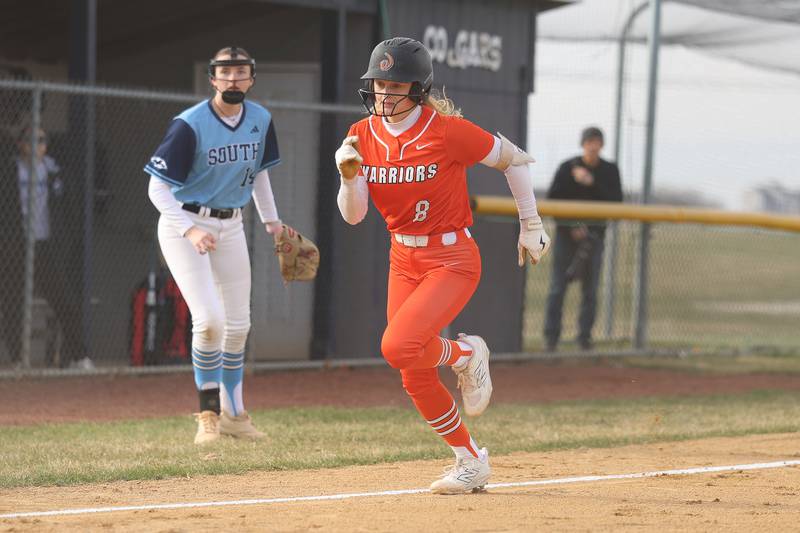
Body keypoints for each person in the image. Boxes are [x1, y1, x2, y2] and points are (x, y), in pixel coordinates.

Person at [335, 37, 551, 494]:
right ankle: (470, 459)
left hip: (452, 257)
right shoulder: (360, 135)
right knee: (411, 370)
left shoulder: (445, 129)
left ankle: (466, 354)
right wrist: (349, 176)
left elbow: (514, 160)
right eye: (378, 84)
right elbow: (354, 216)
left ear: (418, 89)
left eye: (395, 85)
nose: (383, 94)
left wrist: (530, 222)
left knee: (396, 347)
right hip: (403, 255)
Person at [144, 46, 288, 444]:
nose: (233, 79)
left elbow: (258, 174)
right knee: (210, 321)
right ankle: (207, 414)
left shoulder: (260, 119)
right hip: (184, 225)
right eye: (225, 73)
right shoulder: (189, 124)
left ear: (252, 78)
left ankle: (235, 416)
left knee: (239, 325)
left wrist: (273, 223)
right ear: (212, 78)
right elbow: (157, 187)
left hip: (231, 226)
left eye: (241, 72)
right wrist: (189, 230)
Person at [0, 125, 90, 368]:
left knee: (63, 299)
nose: (35, 145)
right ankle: (20, 359)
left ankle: (79, 357)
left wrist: (66, 240)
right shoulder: (9, 170)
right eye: (29, 139)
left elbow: (69, 209)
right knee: (13, 301)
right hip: (16, 244)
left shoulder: (53, 172)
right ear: (20, 144)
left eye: (40, 140)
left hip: (46, 245)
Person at [543, 126, 623, 352]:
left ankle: (584, 339)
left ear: (602, 145)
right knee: (558, 287)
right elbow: (553, 201)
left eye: (597, 141)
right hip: (567, 235)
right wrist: (572, 226)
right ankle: (551, 338)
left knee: (590, 290)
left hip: (595, 236)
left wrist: (591, 183)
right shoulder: (568, 168)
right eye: (589, 141)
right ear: (583, 144)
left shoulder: (609, 170)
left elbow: (616, 202)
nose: (593, 146)